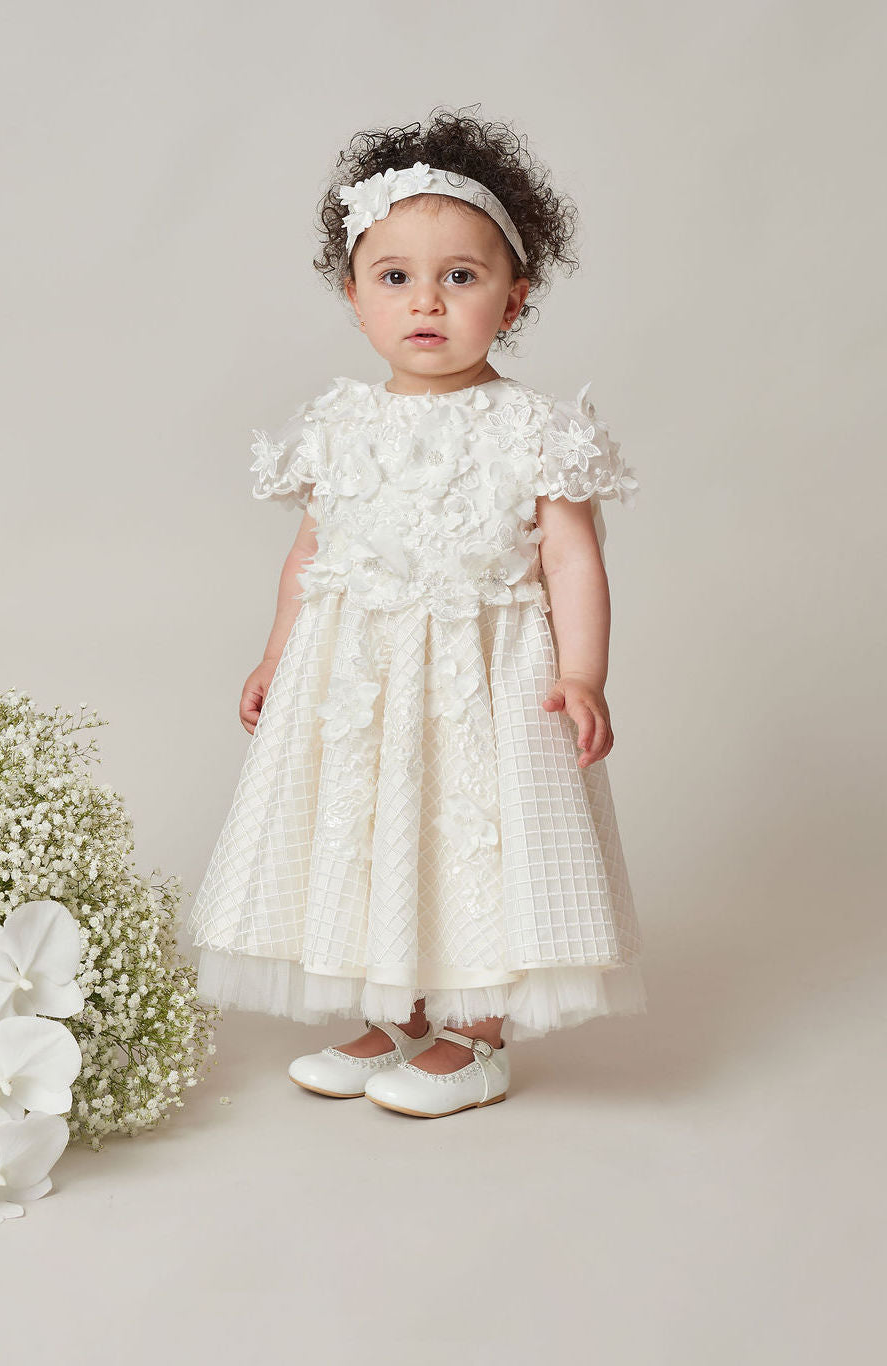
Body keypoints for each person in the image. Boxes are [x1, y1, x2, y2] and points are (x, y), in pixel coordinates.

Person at [186, 107, 646, 1119]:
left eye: (461, 277)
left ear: (513, 300)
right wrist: (276, 654)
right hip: (362, 678)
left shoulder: (533, 429)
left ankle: (477, 1036)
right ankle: (398, 1012)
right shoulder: (337, 424)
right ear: (355, 297)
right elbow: (310, 557)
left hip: (485, 679)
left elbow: (573, 557)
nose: (426, 301)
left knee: (473, 836)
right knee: (373, 832)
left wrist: (583, 674)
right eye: (394, 276)